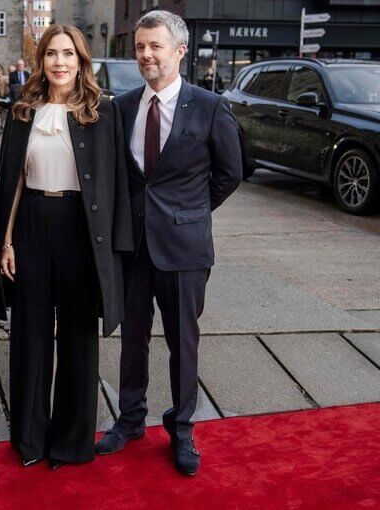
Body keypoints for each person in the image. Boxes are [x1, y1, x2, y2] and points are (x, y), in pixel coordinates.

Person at [0, 24, 133, 470]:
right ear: (40, 60)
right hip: (30, 226)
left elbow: (119, 183)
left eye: (68, 54)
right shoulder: (23, 111)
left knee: (77, 338)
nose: (60, 62)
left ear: (81, 61)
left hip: (83, 232)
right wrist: (4, 243)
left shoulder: (103, 112)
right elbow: (11, 182)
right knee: (29, 335)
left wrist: (116, 253)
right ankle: (29, 439)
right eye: (51, 54)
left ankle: (71, 442)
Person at [94, 10, 241, 476]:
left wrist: (190, 214)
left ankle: (181, 429)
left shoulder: (210, 106)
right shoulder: (121, 107)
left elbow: (230, 174)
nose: (145, 55)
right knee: (132, 337)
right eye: (139, 47)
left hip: (184, 248)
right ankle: (130, 419)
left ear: (179, 51)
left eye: (155, 46)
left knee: (183, 341)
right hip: (132, 246)